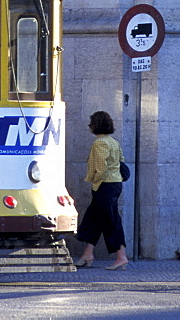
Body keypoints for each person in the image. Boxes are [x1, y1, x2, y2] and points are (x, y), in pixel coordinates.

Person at [74, 110, 128, 270]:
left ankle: (121, 256)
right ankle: (87, 254)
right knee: (94, 219)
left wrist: (95, 182)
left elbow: (101, 167)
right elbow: (121, 161)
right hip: (114, 184)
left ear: (95, 125)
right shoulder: (113, 141)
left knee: (111, 221)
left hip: (105, 185)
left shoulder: (100, 143)